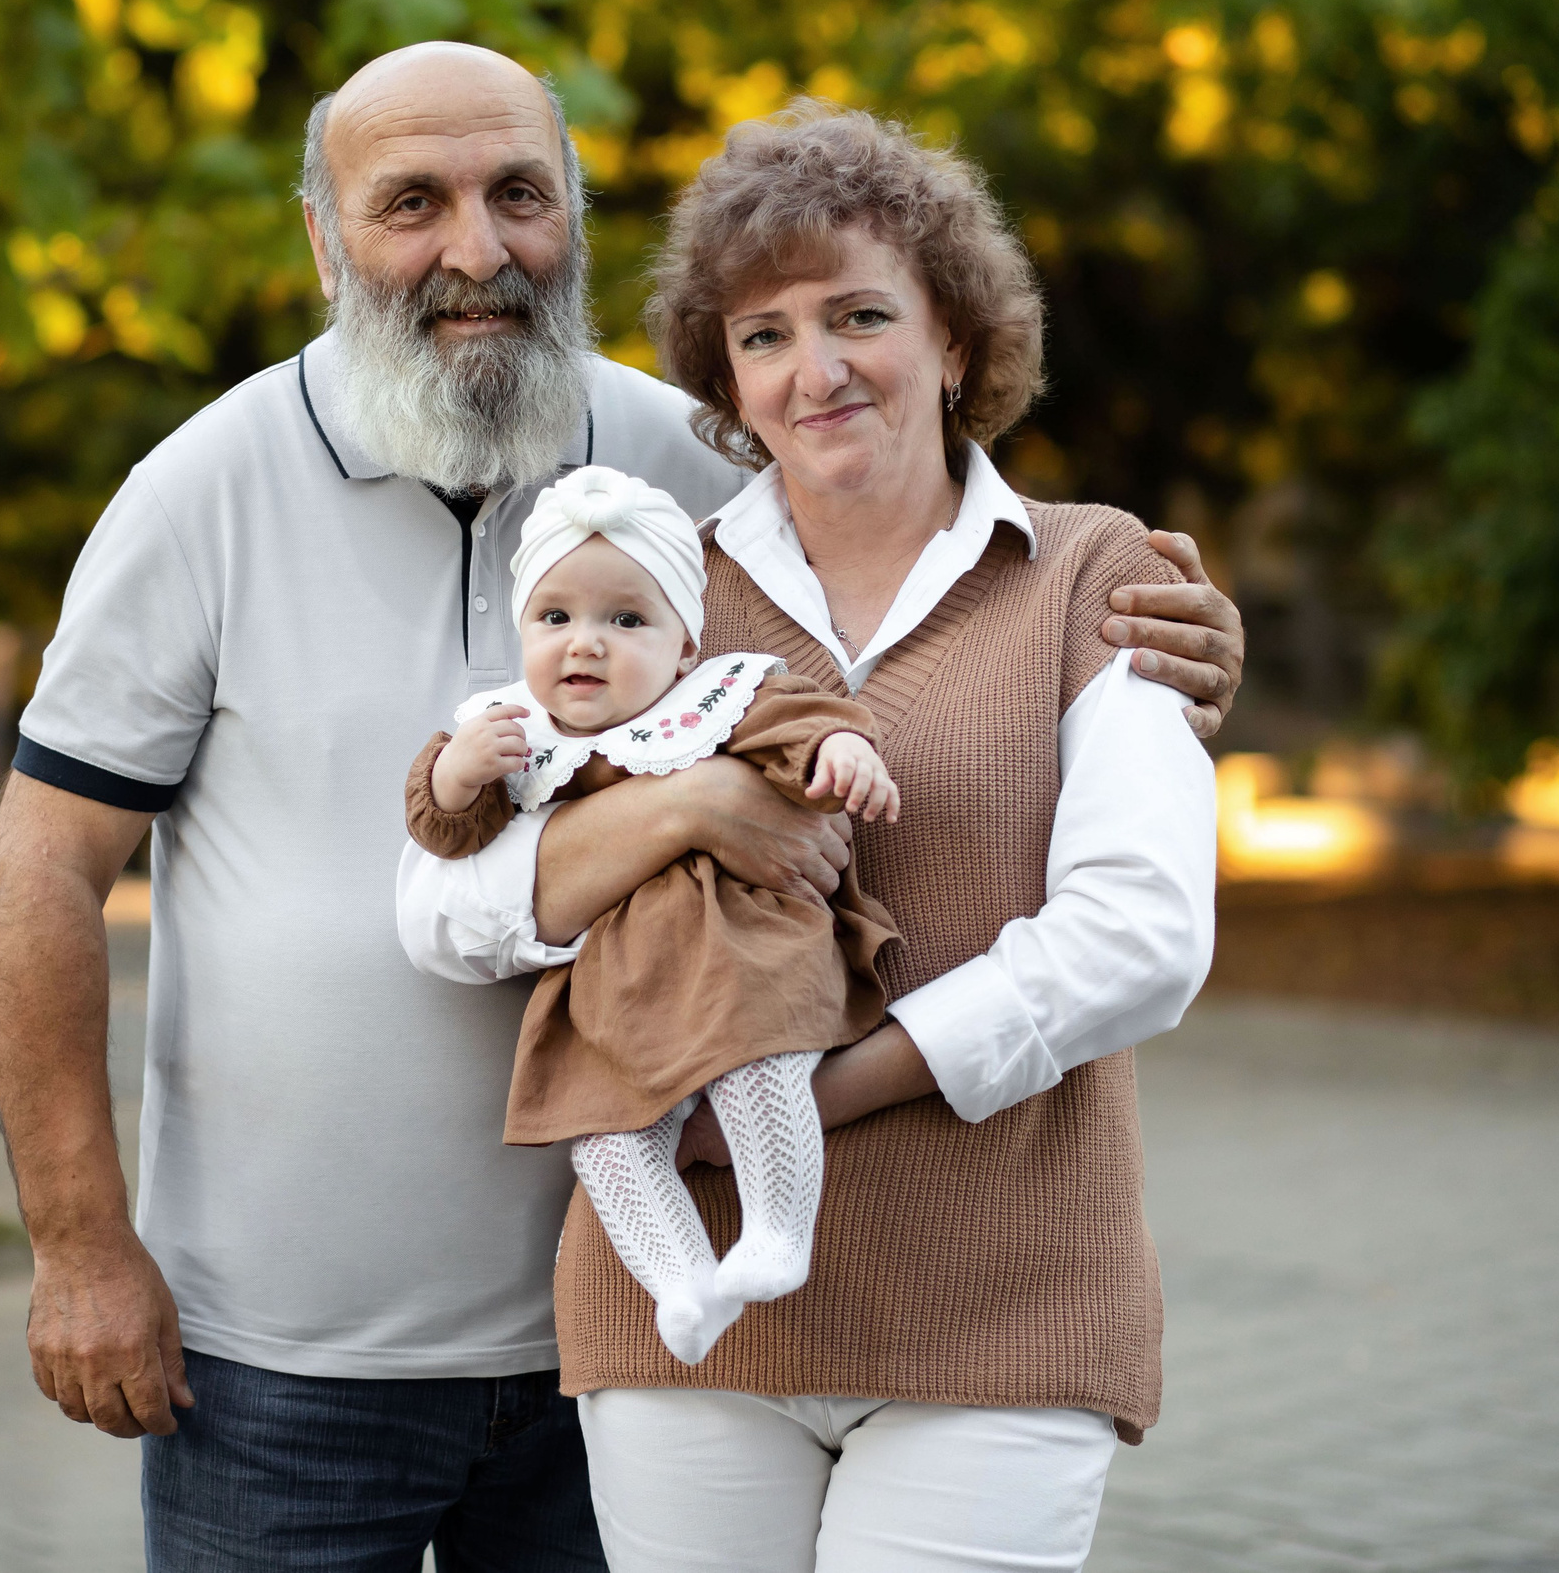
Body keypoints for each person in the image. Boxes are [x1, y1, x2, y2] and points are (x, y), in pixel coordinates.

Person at [0, 42, 1246, 1571]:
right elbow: (45, 870)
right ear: (324, 239)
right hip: (292, 1358)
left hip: (627, 1330)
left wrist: (1169, 649)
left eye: (521, 193)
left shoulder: (682, 462)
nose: (477, 246)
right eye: (412, 203)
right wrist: (79, 1246)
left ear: (574, 210)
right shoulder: (200, 491)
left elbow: (940, 572)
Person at [404, 101, 1219, 1572]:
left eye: (860, 316)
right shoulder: (655, 590)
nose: (815, 368)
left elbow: (1141, 938)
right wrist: (691, 805)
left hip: (1005, 1300)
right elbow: (444, 906)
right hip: (683, 1302)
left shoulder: (1090, 570)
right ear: (726, 375)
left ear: (958, 338)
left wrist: (814, 1094)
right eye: (764, 335)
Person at [404, 464, 902, 1367]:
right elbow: (446, 833)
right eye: (555, 618)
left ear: (683, 646)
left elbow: (809, 722)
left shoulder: (716, 700)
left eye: (626, 619)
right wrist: (457, 770)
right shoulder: (516, 732)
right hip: (615, 988)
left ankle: (778, 1231)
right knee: (604, 1134)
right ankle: (682, 1279)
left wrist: (843, 752)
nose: (584, 644)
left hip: (737, 950)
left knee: (757, 1068)